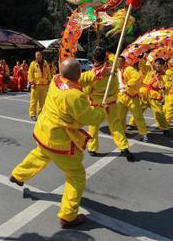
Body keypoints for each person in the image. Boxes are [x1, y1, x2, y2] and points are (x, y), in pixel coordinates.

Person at [10, 58, 105, 228]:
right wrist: (101, 109)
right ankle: (68, 216)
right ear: (78, 74)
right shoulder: (75, 96)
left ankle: (18, 175)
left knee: (40, 154)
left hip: (44, 131)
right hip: (60, 141)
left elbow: (76, 78)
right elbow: (90, 118)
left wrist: (97, 74)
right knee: (76, 175)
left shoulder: (55, 79)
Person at [80, 48, 134, 161]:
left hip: (97, 105)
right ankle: (124, 146)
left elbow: (87, 90)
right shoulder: (113, 69)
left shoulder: (92, 75)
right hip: (111, 103)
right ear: (105, 57)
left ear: (93, 59)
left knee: (93, 127)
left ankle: (92, 148)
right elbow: (113, 58)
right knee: (116, 126)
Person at [116, 56, 149, 142]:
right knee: (120, 116)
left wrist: (128, 85)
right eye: (117, 61)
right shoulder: (115, 71)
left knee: (138, 116)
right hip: (121, 97)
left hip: (132, 96)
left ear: (123, 62)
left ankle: (144, 134)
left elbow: (137, 76)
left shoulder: (129, 69)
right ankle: (122, 131)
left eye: (119, 61)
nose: (118, 63)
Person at [140, 58, 171, 136]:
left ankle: (164, 128)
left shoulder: (165, 76)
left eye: (160, 64)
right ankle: (132, 124)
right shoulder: (150, 71)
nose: (158, 66)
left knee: (159, 113)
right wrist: (144, 58)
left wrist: (164, 87)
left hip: (155, 95)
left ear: (164, 66)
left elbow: (168, 85)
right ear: (154, 64)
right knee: (138, 110)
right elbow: (142, 66)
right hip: (144, 93)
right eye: (157, 64)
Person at [27, 51, 52, 121]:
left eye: (40, 55)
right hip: (36, 85)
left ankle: (41, 114)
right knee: (33, 101)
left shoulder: (45, 63)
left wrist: (49, 80)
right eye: (37, 55)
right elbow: (30, 74)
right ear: (35, 56)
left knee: (42, 101)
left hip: (44, 85)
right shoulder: (33, 64)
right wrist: (31, 83)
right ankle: (32, 114)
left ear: (41, 56)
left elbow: (48, 72)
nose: (39, 56)